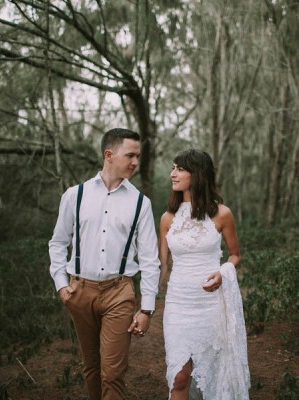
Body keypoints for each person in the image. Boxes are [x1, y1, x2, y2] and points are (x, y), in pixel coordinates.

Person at [49, 128, 160, 400]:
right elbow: (57, 243)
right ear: (109, 155)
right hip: (79, 292)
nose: (135, 162)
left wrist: (146, 308)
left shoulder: (140, 204)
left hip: (118, 293)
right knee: (92, 368)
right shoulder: (75, 195)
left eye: (138, 156)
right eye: (130, 155)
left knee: (112, 372)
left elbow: (149, 259)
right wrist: (62, 285)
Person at [159, 148, 250, 400]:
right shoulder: (168, 218)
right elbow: (161, 265)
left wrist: (223, 272)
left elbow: (235, 255)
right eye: (173, 168)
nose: (172, 174)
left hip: (210, 305)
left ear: (197, 174)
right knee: (179, 378)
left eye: (179, 169)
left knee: (211, 373)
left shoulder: (222, 214)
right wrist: (145, 305)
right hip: (178, 304)